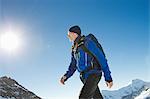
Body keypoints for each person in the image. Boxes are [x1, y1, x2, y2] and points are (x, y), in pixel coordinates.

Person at [60, 25, 113, 99]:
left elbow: (102, 59)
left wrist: (108, 78)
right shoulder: (74, 49)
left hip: (94, 74)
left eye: (69, 34)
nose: (68, 36)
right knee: (97, 97)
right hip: (84, 77)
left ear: (75, 34)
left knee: (83, 97)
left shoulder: (88, 42)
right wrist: (66, 76)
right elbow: (73, 65)